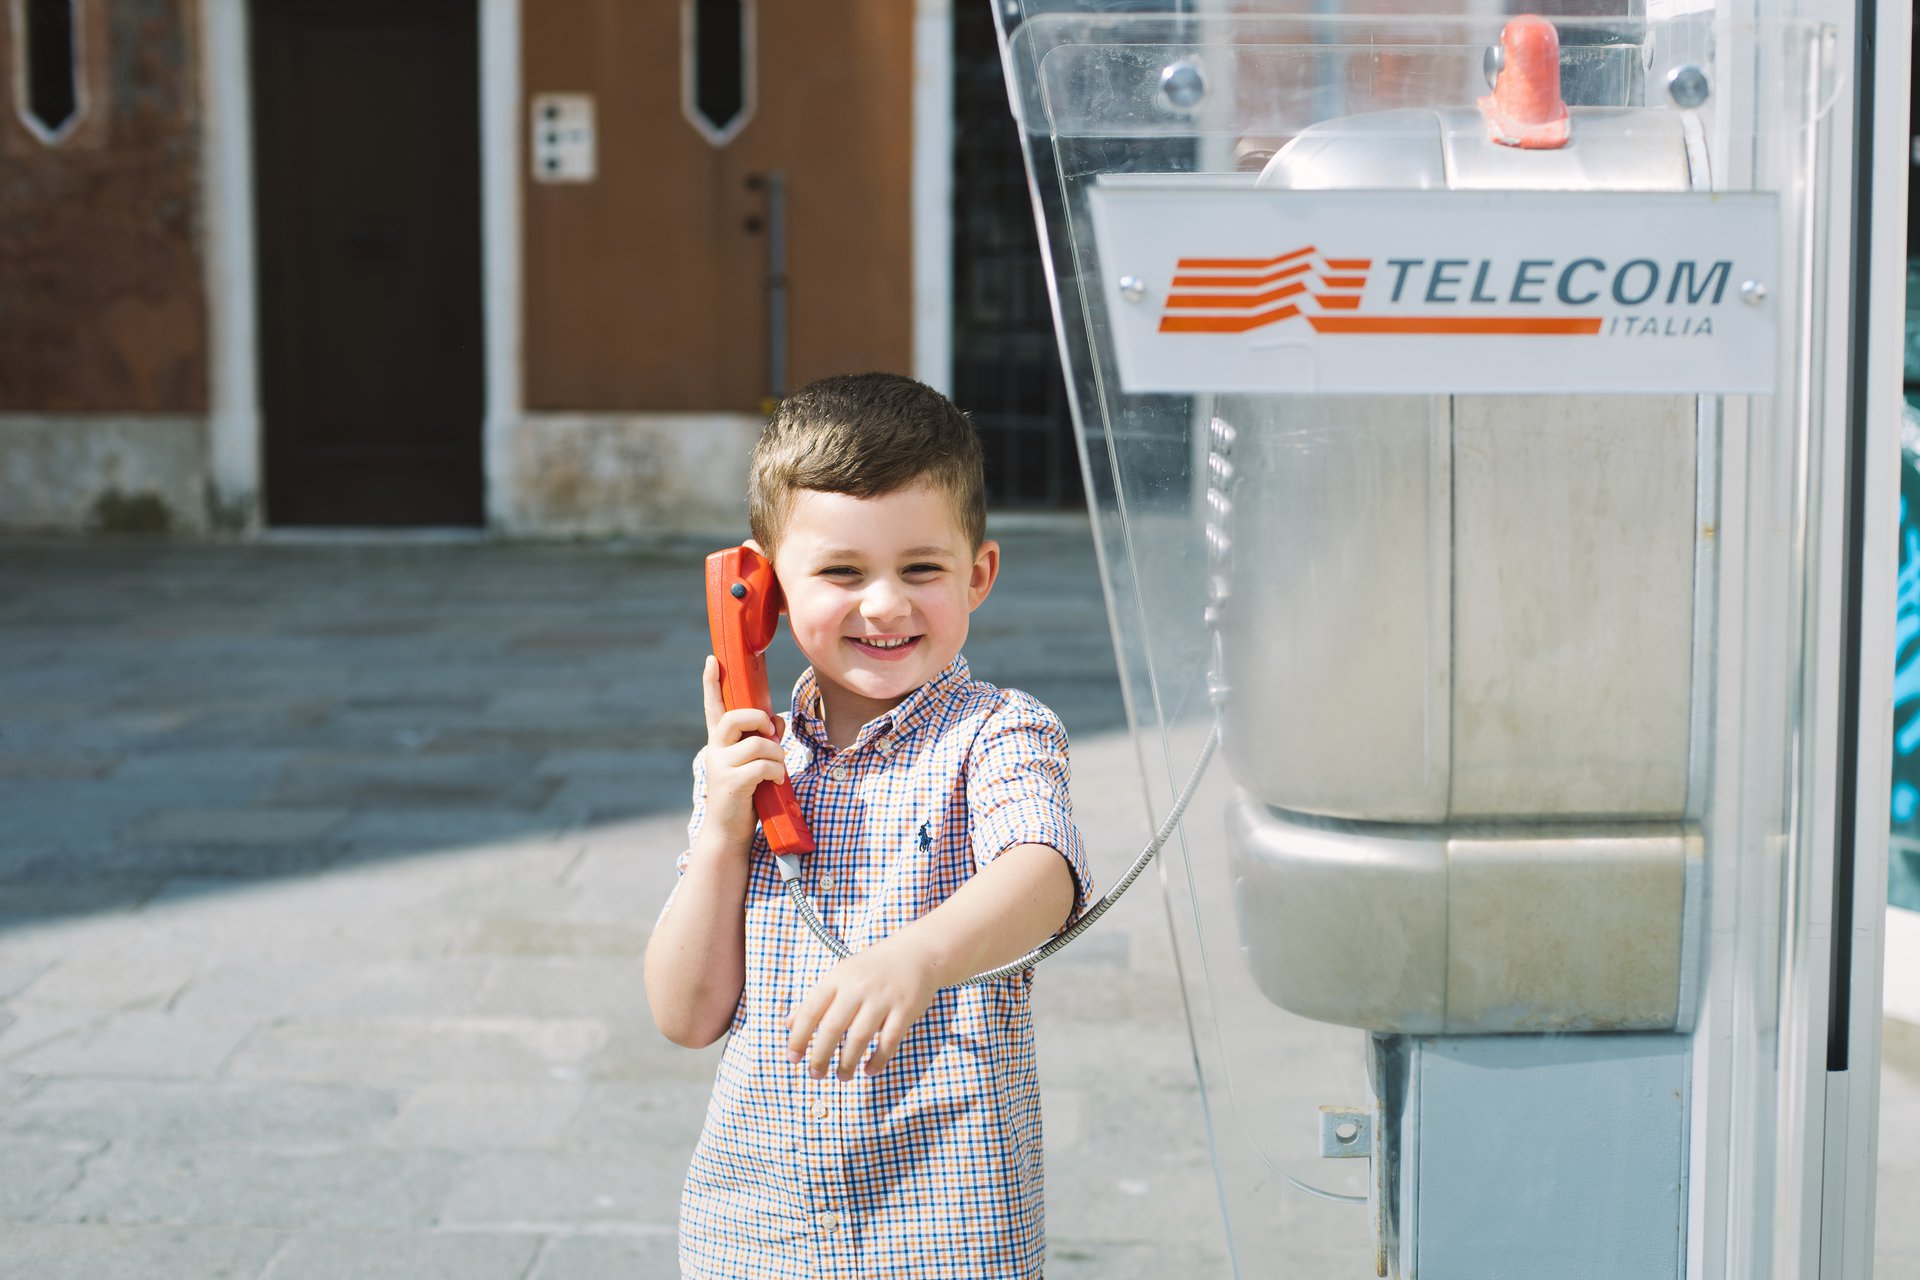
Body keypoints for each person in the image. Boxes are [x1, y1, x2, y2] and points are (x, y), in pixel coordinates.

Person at [644, 372, 1092, 1279]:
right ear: (762, 588)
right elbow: (685, 1014)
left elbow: (1042, 874)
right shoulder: (745, 762)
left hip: (945, 1227)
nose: (884, 605)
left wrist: (917, 957)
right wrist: (725, 831)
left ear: (979, 574)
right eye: (842, 572)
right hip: (754, 1229)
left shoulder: (998, 734)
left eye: (920, 570)